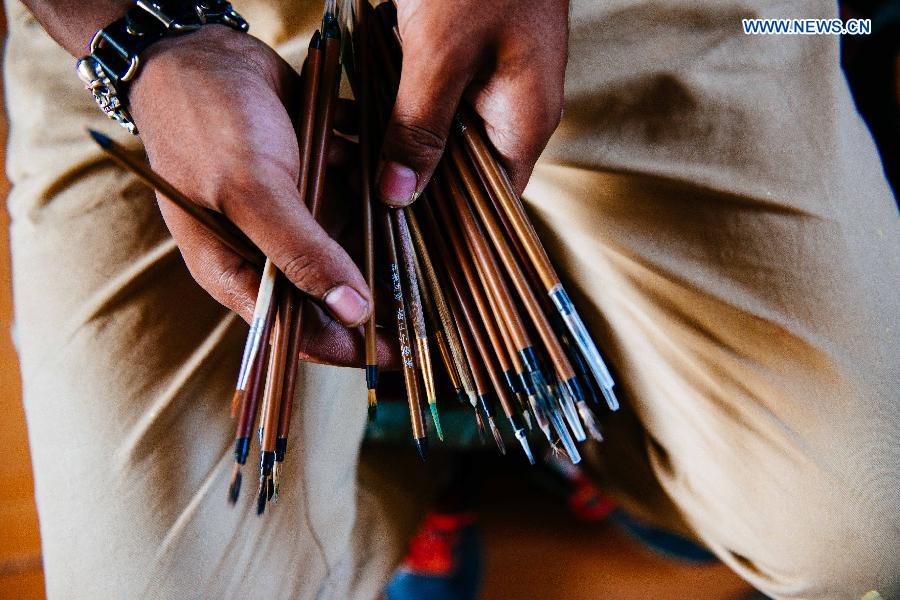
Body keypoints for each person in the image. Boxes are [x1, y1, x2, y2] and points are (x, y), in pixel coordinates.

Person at [5, 0, 898, 598]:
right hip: (167, 33)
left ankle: (580, 430)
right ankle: (408, 457)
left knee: (867, 527)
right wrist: (137, 42)